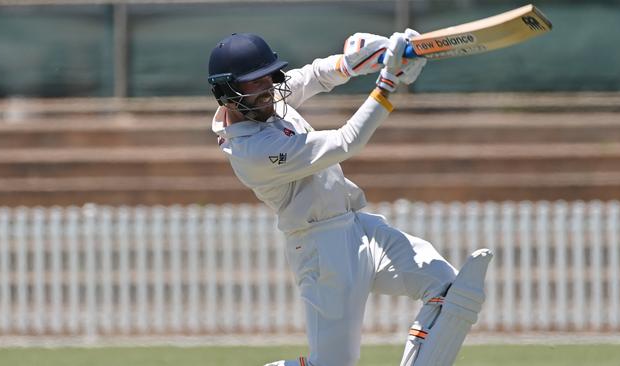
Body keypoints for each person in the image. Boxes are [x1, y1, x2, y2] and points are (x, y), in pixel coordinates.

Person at [207, 30, 493, 366]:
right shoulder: (252, 151)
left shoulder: (264, 103)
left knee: (448, 290)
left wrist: (360, 60)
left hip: (359, 227)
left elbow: (315, 75)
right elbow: (347, 142)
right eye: (256, 82)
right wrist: (387, 83)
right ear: (228, 92)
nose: (268, 87)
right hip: (320, 249)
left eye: (269, 76)